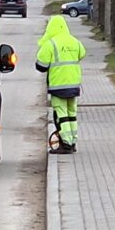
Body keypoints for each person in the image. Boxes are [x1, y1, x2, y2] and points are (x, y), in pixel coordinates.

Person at [36, 15, 86, 154]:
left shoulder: (50, 44)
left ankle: (66, 144)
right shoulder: (75, 41)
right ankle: (73, 141)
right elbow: (83, 54)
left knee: (61, 115)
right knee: (72, 114)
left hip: (58, 86)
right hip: (74, 85)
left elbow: (41, 65)